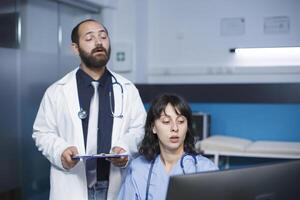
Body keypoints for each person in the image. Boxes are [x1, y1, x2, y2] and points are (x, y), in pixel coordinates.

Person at [32, 19, 146, 200]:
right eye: (89, 38)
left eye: (103, 36)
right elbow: (42, 132)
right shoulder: (57, 91)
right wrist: (60, 151)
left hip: (115, 185)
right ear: (75, 48)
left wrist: (125, 148)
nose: (99, 42)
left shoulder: (127, 89)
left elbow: (140, 129)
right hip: (72, 186)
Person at [118, 94, 218, 200]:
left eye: (180, 121)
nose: (175, 128)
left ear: (187, 127)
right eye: (166, 121)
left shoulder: (205, 169)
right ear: (153, 127)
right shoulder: (138, 169)